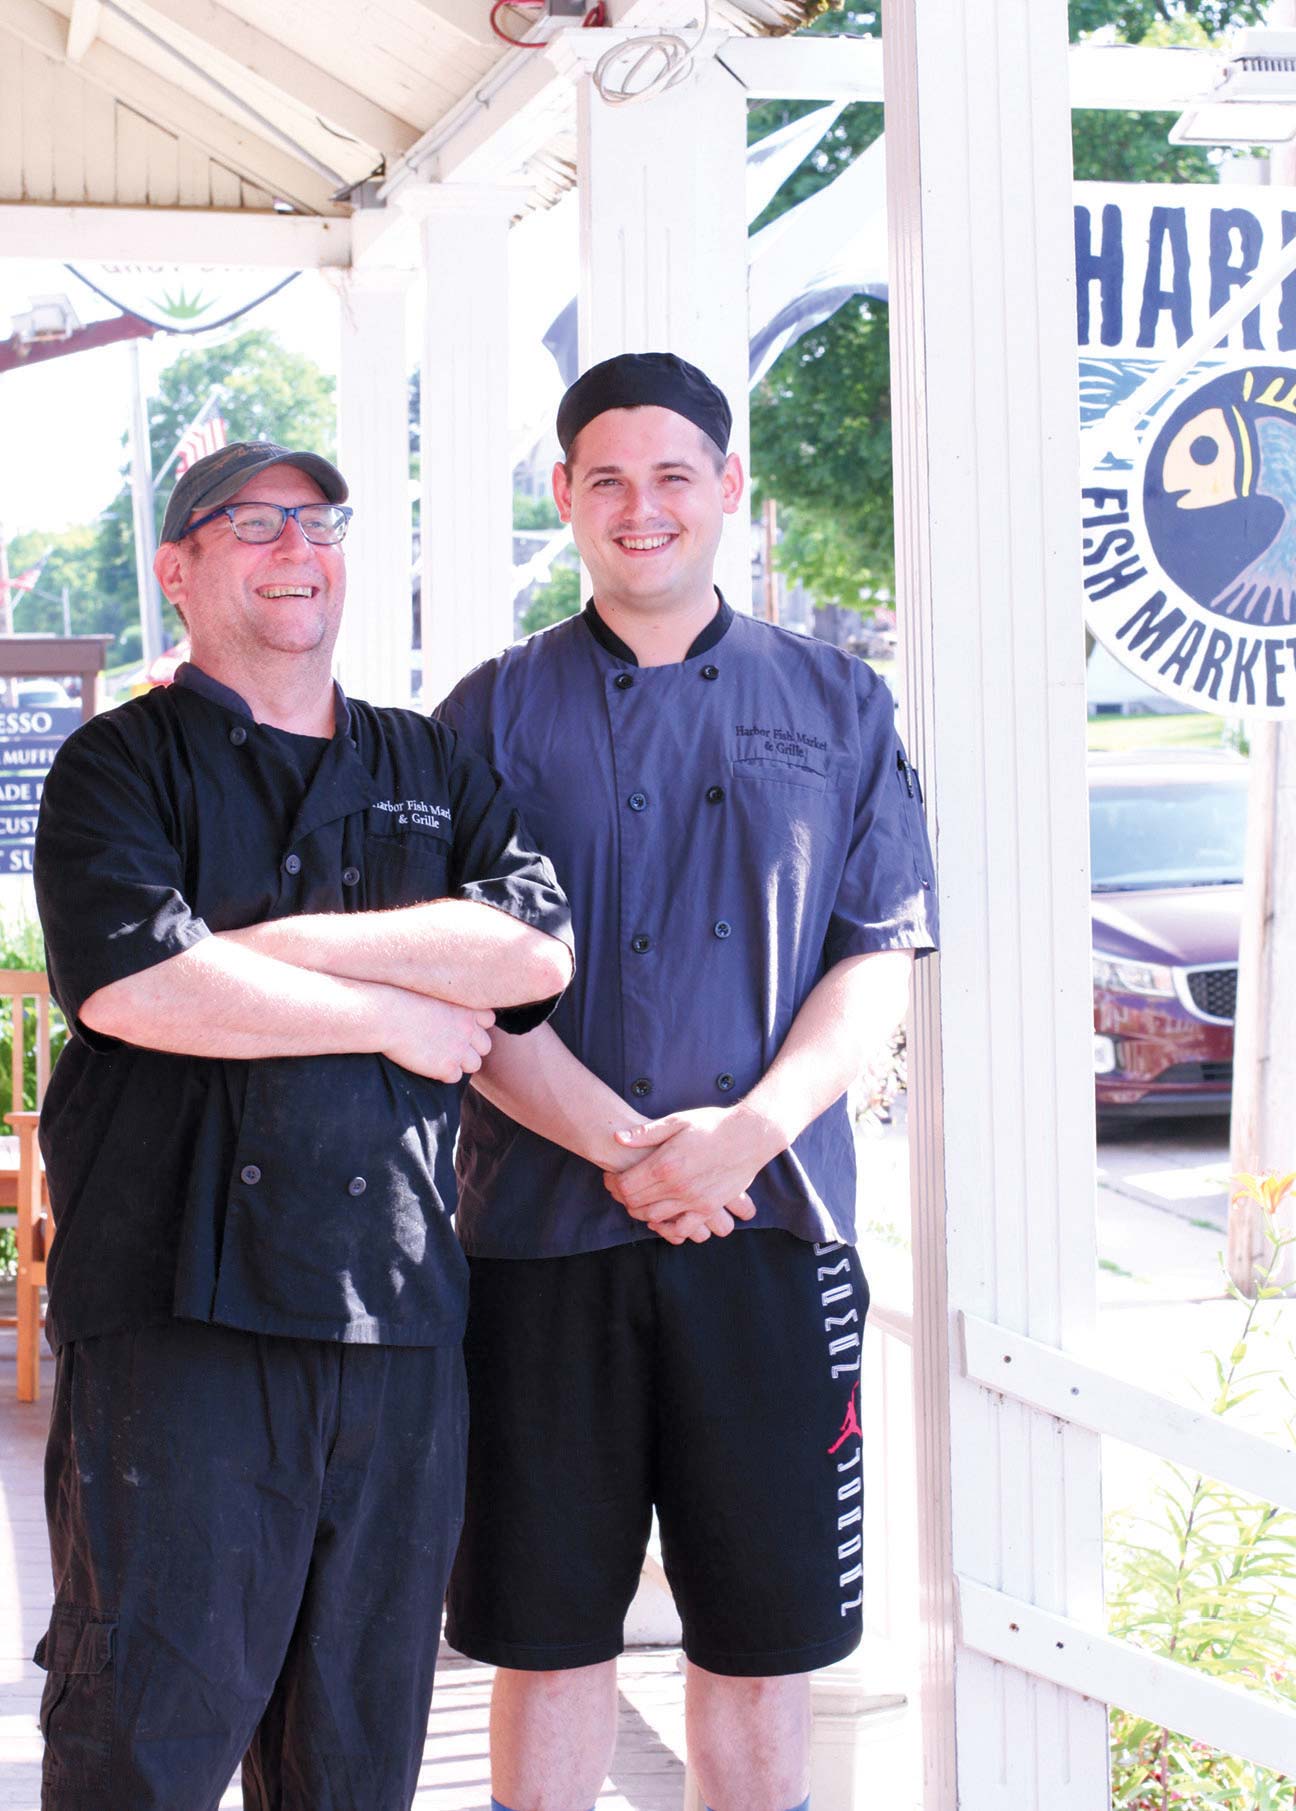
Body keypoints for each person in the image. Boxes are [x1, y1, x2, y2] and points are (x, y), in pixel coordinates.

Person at [32, 441, 574, 1811]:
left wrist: (272, 956)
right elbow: (139, 986)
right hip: (177, 1322)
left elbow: (530, 953)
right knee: (142, 1739)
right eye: (254, 523)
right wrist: (395, 1012)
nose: (298, 548)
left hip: (391, 1323)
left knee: (355, 1756)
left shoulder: (427, 763)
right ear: (179, 570)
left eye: (321, 522)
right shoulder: (116, 767)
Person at [435, 352, 939, 1811]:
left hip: (770, 1238)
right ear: (564, 497)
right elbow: (454, 974)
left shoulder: (839, 703)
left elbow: (876, 957)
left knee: (761, 1638)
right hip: (537, 1240)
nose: (640, 507)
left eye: (673, 476)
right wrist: (632, 1151)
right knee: (546, 1630)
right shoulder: (485, 717)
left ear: (729, 488)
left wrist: (750, 1137)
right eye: (607, 478)